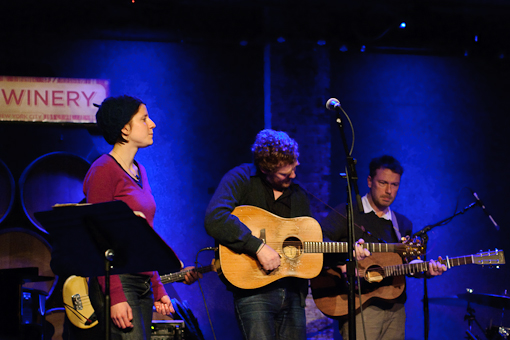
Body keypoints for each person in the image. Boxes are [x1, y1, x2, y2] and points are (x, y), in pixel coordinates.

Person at [82, 95, 200, 340]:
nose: (152, 124)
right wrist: (114, 296)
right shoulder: (103, 170)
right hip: (119, 281)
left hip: (142, 281)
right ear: (125, 129)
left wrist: (158, 287)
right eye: (144, 119)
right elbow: (98, 238)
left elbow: (143, 236)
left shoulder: (139, 171)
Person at [320, 155, 447, 340]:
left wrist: (426, 269)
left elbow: (409, 263)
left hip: (395, 309)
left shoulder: (401, 223)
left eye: (395, 185)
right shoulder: (347, 213)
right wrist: (343, 265)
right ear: (370, 181)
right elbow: (319, 242)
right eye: (383, 183)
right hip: (360, 308)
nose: (389, 191)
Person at [204, 129, 312, 340]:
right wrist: (257, 247)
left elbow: (311, 244)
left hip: (292, 294)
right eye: (284, 173)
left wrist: (349, 251)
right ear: (264, 168)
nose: (293, 175)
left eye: (294, 167)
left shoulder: (299, 196)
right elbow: (215, 217)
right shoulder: (241, 178)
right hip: (253, 292)